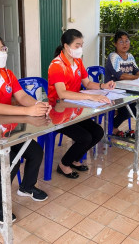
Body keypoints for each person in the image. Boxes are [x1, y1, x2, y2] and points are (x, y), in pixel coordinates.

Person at [0, 33, 51, 224]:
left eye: (2, 49)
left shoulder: (7, 74)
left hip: (4, 131)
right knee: (10, 160)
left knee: (35, 151)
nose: (1, 53)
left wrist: (38, 105)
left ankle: (27, 187)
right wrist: (28, 111)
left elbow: (21, 97)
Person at [48, 29, 116, 179]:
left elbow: (87, 83)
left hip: (74, 108)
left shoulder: (78, 61)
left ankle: (73, 159)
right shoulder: (56, 65)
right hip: (58, 110)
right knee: (84, 137)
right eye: (77, 45)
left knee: (97, 132)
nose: (80, 49)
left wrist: (103, 87)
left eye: (81, 45)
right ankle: (64, 164)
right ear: (66, 46)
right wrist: (90, 98)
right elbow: (62, 94)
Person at [104, 30, 139, 138]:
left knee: (137, 111)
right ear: (115, 44)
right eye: (121, 42)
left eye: (127, 41)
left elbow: (136, 70)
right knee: (128, 112)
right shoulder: (113, 56)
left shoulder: (130, 56)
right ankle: (111, 128)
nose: (125, 44)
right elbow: (120, 76)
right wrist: (137, 77)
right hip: (113, 90)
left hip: (127, 90)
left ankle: (112, 127)